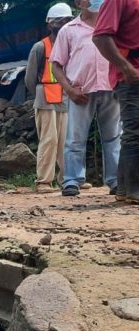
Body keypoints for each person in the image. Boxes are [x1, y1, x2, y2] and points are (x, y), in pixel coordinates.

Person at [51, 0, 121, 197]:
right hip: (80, 93)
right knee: (75, 138)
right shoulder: (68, 30)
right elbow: (56, 65)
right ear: (79, 3)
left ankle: (115, 181)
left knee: (114, 138)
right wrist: (69, 90)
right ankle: (72, 181)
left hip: (111, 89)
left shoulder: (114, 28)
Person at [93, 0, 139, 203]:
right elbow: (101, 36)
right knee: (135, 130)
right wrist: (125, 67)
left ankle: (124, 188)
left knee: (133, 131)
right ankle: (134, 190)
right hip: (132, 74)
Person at [25, 3, 74, 193]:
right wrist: (40, 93)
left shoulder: (71, 46)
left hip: (65, 98)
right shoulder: (40, 47)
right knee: (49, 139)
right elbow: (30, 79)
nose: (62, 24)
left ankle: (68, 180)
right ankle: (44, 182)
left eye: (66, 20)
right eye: (58, 21)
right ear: (50, 24)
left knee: (67, 141)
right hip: (45, 98)